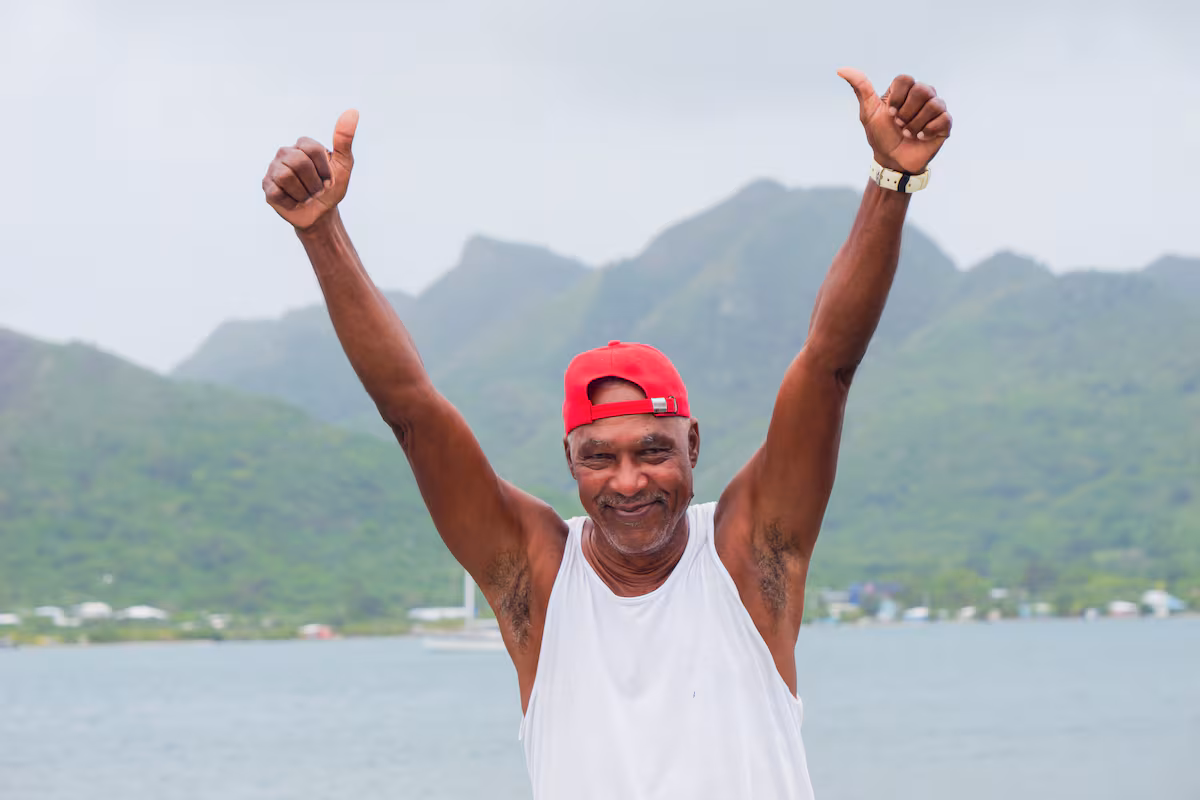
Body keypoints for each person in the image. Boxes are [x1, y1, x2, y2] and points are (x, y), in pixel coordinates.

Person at [262, 67, 952, 799]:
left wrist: (890, 182)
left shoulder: (750, 555)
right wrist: (321, 232)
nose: (629, 481)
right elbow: (410, 411)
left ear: (693, 446)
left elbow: (829, 367)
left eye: (652, 450)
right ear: (570, 461)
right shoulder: (536, 577)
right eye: (601, 458)